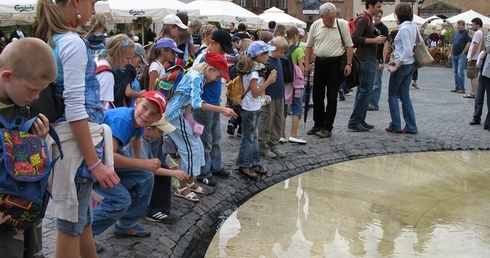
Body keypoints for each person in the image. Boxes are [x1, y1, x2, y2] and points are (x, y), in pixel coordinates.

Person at [36, 0, 121, 257]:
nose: (93, 10)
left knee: (81, 220)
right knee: (71, 224)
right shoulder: (72, 42)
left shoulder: (52, 39)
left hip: (63, 144)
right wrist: (95, 163)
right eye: (92, 2)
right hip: (77, 150)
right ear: (75, 2)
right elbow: (75, 108)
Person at [0, 37, 56, 258]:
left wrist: (36, 141)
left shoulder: (19, 99)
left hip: (26, 206)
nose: (36, 97)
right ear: (7, 76)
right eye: (33, 90)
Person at [92, 91, 167, 239]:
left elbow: (136, 139)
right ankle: (84, 236)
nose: (147, 115)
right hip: (92, 163)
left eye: (153, 114)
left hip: (104, 158)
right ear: (137, 102)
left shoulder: (138, 120)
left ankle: (125, 225)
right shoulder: (123, 121)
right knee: (121, 200)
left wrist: (140, 166)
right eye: (145, 108)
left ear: (157, 118)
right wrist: (142, 163)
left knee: (145, 177)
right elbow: (109, 156)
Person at [165, 52, 237, 202]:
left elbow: (190, 100)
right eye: (218, 76)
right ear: (210, 69)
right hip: (175, 115)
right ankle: (182, 187)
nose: (218, 80)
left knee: (196, 145)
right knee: (189, 149)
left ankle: (190, 181)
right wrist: (222, 109)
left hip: (181, 114)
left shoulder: (197, 75)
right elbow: (198, 103)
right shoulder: (197, 77)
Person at [193, 30, 235, 186]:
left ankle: (215, 166)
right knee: (205, 139)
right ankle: (203, 172)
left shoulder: (216, 57)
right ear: (213, 43)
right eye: (221, 49)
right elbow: (196, 81)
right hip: (204, 105)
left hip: (214, 103)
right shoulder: (202, 58)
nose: (223, 52)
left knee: (216, 137)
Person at [305, 3, 353, 138]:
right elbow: (308, 46)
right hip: (320, 62)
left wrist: (348, 63)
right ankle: (318, 124)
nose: (331, 20)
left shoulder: (341, 24)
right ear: (322, 17)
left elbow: (349, 45)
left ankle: (328, 126)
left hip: (335, 63)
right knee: (317, 95)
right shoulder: (316, 25)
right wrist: (307, 64)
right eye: (328, 18)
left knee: (332, 97)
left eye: (333, 17)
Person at [128, 115, 188, 223]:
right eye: (160, 132)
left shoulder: (145, 140)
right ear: (148, 129)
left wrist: (170, 169)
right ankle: (154, 210)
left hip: (138, 170)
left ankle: (160, 209)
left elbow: (150, 162)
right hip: (131, 173)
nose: (162, 135)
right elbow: (146, 167)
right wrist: (173, 173)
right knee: (160, 173)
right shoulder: (140, 141)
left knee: (164, 168)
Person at [235, 41, 277, 179]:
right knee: (249, 138)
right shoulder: (253, 72)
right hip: (249, 109)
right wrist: (269, 82)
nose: (268, 56)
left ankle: (253, 162)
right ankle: (245, 164)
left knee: (253, 137)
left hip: (254, 107)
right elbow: (255, 92)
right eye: (266, 53)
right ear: (259, 55)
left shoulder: (258, 68)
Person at [347, 0, 386, 132]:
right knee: (365, 90)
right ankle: (354, 121)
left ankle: (360, 119)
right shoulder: (364, 19)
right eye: (378, 7)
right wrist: (374, 40)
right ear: (370, 6)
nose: (379, 10)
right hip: (365, 59)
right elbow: (355, 38)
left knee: (364, 90)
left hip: (369, 59)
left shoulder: (368, 19)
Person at [385, 3, 418, 134]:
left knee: (392, 94)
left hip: (402, 64)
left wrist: (396, 65)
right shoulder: (413, 26)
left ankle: (396, 124)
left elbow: (408, 50)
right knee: (404, 95)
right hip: (411, 65)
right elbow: (417, 43)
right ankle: (411, 125)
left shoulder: (403, 29)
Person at [259, 36, 288, 157]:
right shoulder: (268, 62)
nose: (282, 54)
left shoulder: (279, 61)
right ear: (274, 50)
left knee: (277, 120)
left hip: (279, 96)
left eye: (284, 52)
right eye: (281, 52)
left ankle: (273, 144)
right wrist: (264, 96)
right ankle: (263, 147)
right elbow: (263, 80)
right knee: (266, 121)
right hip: (269, 97)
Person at [280, 26, 307, 144]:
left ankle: (281, 135)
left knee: (283, 108)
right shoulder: (298, 50)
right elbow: (301, 68)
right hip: (295, 83)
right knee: (297, 107)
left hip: (284, 81)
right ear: (295, 36)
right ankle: (294, 134)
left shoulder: (282, 48)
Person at [95, 34, 136, 109]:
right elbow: (103, 107)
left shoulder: (98, 61)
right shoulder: (107, 75)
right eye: (127, 58)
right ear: (118, 54)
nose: (130, 62)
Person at [114, 42, 148, 108]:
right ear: (133, 57)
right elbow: (128, 92)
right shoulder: (127, 68)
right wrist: (142, 93)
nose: (138, 65)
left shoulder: (118, 66)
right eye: (139, 62)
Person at [368, 9, 389, 111]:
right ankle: (367, 102)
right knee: (368, 82)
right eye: (376, 16)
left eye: (379, 17)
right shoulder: (370, 26)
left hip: (378, 58)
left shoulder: (384, 28)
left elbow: (385, 46)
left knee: (376, 83)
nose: (377, 18)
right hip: (369, 57)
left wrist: (383, 61)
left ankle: (374, 103)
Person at [470, 31, 490, 126]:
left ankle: (487, 122)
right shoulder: (487, 33)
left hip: (487, 68)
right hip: (484, 68)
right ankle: (476, 117)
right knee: (479, 95)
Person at [464, 17, 484, 99]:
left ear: (477, 24)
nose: (472, 26)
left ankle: (474, 92)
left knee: (473, 76)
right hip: (477, 56)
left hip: (474, 57)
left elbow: (475, 45)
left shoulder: (478, 33)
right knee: (474, 75)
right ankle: (474, 92)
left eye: (473, 24)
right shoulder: (482, 32)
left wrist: (470, 57)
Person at [450, 20, 471, 94]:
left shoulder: (466, 33)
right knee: (455, 72)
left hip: (461, 55)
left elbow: (468, 43)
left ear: (463, 25)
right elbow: (453, 43)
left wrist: (463, 52)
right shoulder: (456, 33)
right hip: (455, 54)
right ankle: (457, 87)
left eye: (459, 25)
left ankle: (462, 88)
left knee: (460, 72)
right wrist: (451, 53)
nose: (457, 26)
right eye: (457, 25)